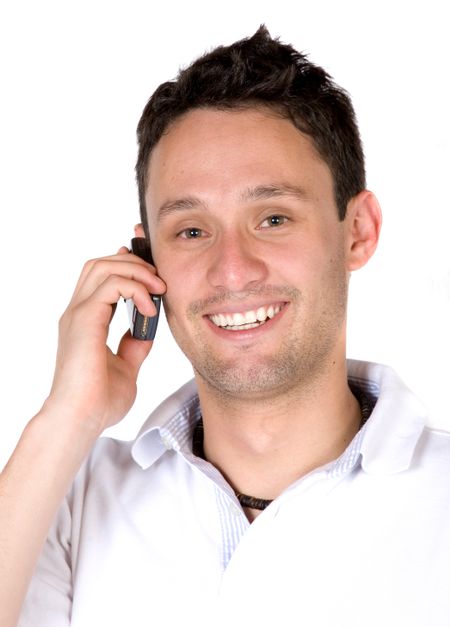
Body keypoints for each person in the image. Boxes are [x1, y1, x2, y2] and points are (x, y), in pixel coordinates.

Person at [1, 26, 449, 627]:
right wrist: (66, 416)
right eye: (191, 230)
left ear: (357, 232)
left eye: (272, 218)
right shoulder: (64, 499)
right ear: (146, 261)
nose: (232, 269)